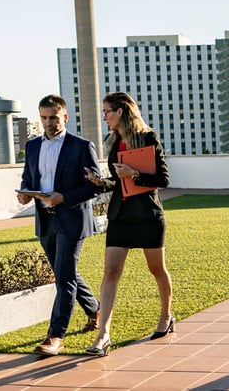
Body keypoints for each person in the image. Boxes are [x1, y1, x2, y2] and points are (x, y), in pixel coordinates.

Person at [83, 92, 173, 356]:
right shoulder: (113, 142)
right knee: (110, 271)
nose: (105, 117)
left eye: (107, 111)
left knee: (157, 269)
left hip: (147, 215)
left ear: (121, 111)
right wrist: (102, 183)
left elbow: (163, 179)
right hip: (120, 215)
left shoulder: (148, 138)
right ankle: (103, 335)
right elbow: (117, 181)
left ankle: (166, 317)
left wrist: (134, 173)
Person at [17, 94, 101, 356]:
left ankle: (55, 336)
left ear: (65, 116)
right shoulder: (32, 146)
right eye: (43, 118)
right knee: (65, 272)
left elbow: (94, 187)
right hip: (45, 220)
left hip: (72, 218)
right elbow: (29, 178)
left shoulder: (81, 146)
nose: (48, 122)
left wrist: (63, 197)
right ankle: (95, 308)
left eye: (53, 117)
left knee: (64, 276)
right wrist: (24, 193)